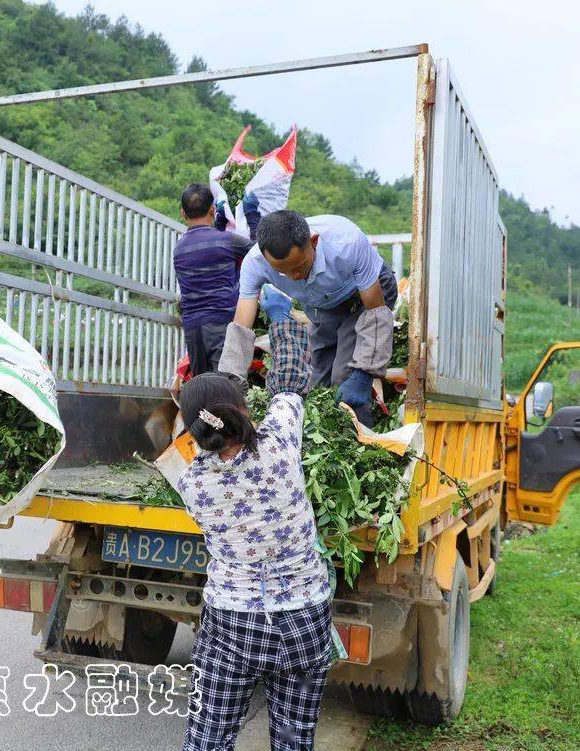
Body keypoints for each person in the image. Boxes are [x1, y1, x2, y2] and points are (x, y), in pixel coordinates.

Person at [178, 285, 333, 751]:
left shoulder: (192, 485)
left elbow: (200, 438)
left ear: (193, 432)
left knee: (208, 740)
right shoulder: (281, 442)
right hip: (304, 619)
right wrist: (283, 322)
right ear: (244, 410)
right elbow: (288, 382)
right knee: (293, 741)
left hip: (232, 625)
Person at [219, 210, 397, 426]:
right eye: (282, 272)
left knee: (346, 375)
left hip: (366, 294)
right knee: (314, 380)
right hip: (323, 303)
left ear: (313, 241)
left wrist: (365, 373)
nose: (293, 276)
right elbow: (241, 328)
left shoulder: (346, 242)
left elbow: (375, 312)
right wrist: (230, 385)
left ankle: (359, 444)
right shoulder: (254, 263)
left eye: (298, 267)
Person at [173, 183, 259, 376]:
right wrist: (252, 215)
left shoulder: (179, 249)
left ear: (183, 213)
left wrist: (219, 224)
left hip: (193, 328)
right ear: (212, 210)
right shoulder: (228, 241)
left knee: (204, 384)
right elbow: (260, 251)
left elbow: (207, 252)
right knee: (227, 384)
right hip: (223, 325)